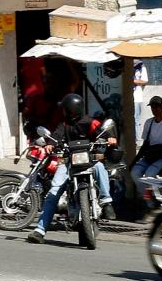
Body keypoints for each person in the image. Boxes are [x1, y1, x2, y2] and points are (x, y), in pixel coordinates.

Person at [27, 93, 120, 243]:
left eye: (65, 109)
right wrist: (50, 143)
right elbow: (56, 136)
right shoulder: (64, 124)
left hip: (89, 160)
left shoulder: (90, 122)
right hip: (69, 162)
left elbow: (102, 131)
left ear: (71, 109)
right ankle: (40, 230)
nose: (64, 111)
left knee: (100, 168)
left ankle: (106, 201)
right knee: (53, 192)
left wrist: (110, 136)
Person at [131, 95, 162, 182]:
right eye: (153, 107)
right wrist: (134, 161)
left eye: (157, 106)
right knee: (135, 172)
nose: (155, 109)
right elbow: (145, 144)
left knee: (149, 174)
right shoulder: (149, 122)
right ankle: (145, 191)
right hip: (152, 156)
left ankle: (153, 189)